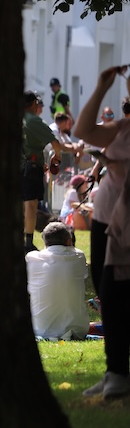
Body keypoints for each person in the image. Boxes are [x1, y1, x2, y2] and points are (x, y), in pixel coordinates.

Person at [73, 64, 130, 398]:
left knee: (117, 290)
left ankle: (119, 374)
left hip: (124, 221)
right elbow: (83, 129)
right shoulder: (121, 127)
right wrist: (100, 86)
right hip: (105, 217)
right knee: (106, 289)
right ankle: (115, 373)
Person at [25, 222, 90, 340]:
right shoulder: (79, 256)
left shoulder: (32, 258)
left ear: (45, 242)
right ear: (68, 241)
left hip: (40, 329)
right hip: (78, 330)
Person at [21, 91, 63, 253]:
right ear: (33, 104)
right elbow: (56, 144)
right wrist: (57, 157)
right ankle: (28, 242)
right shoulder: (33, 121)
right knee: (30, 205)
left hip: (17, 168)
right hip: (30, 169)